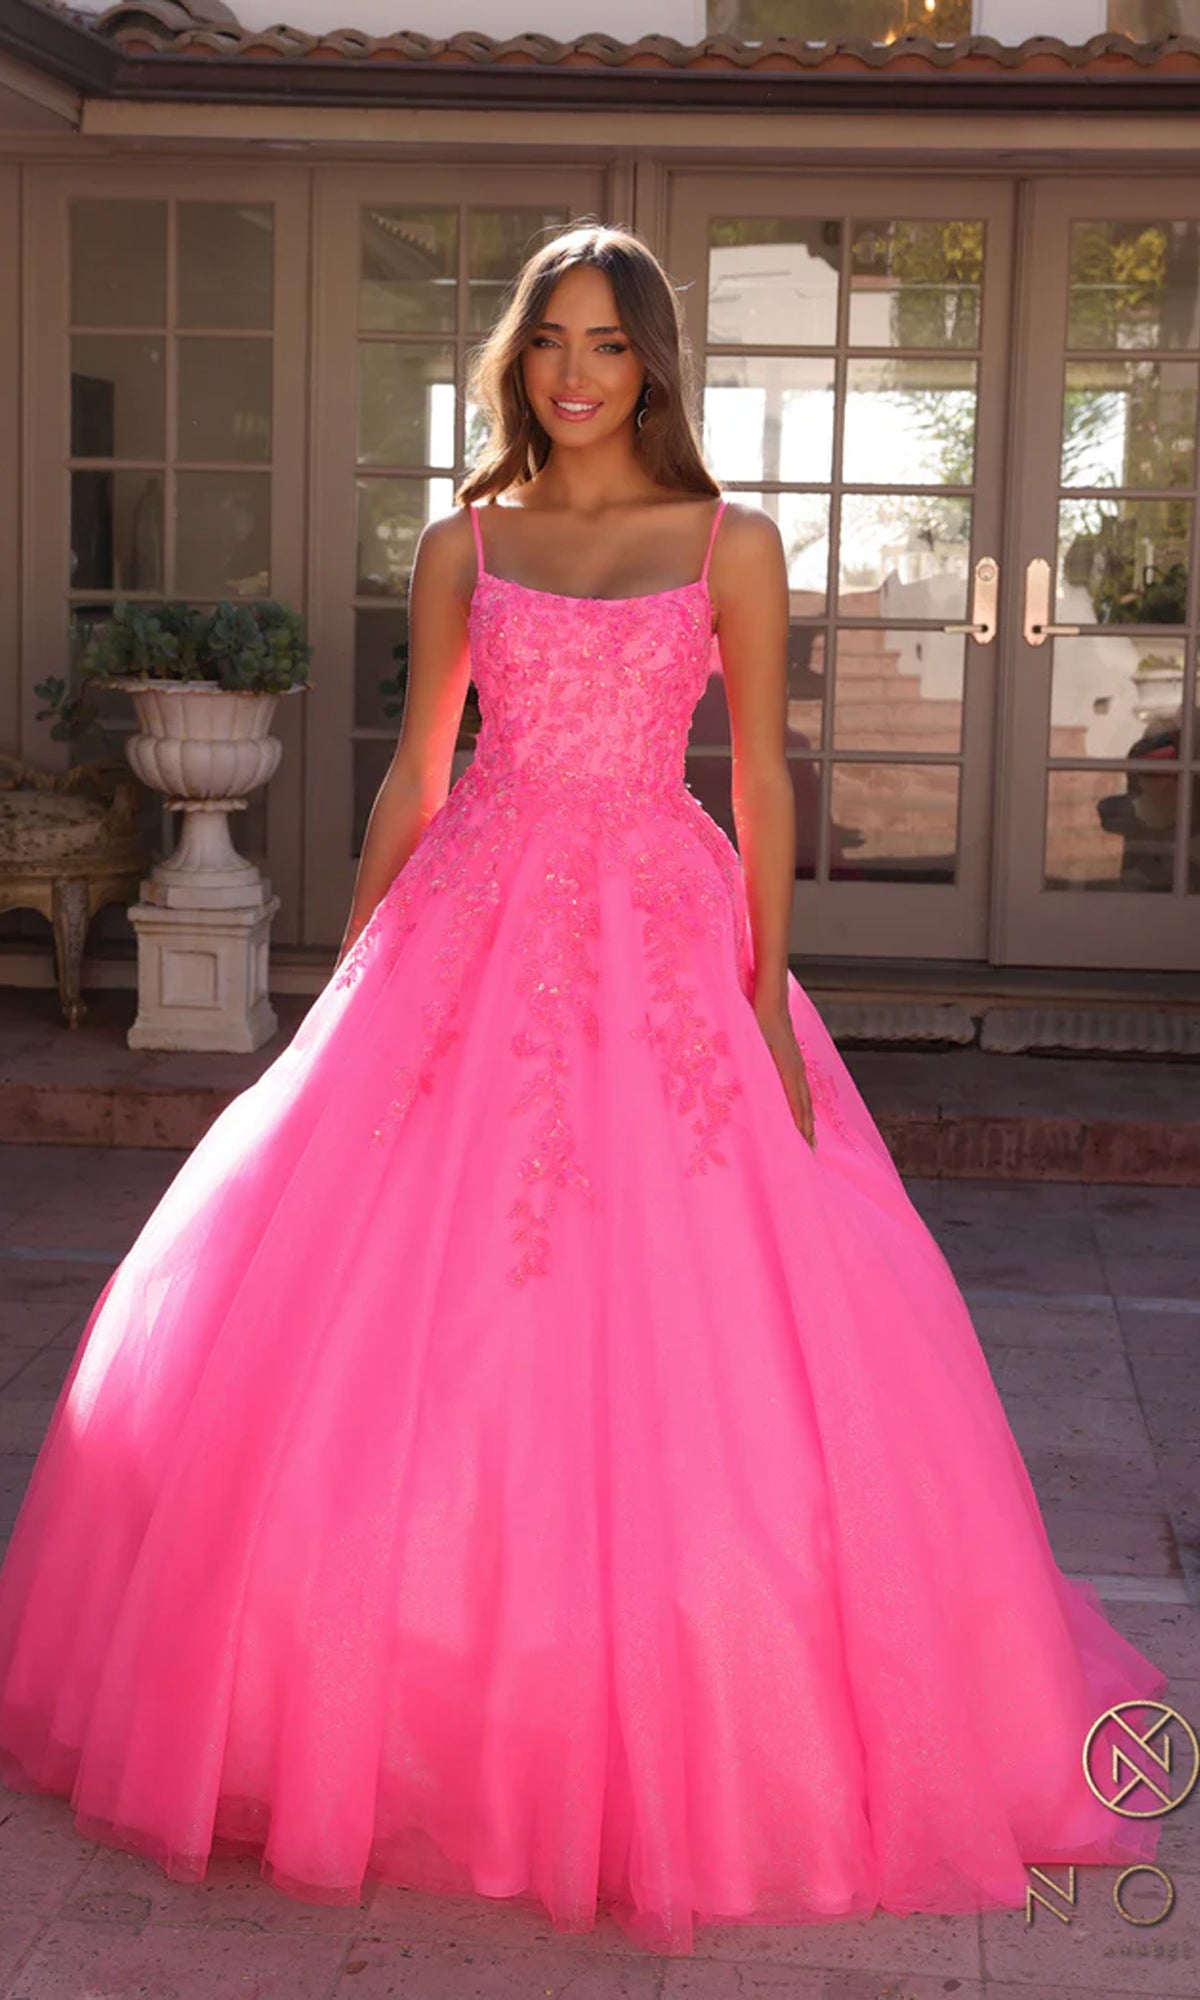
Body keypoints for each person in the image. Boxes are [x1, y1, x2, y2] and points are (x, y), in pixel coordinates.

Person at [0, 223, 1169, 1959]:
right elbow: (418, 765)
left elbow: (762, 773)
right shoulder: (468, 541)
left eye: (609, 344)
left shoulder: (730, 542)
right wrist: (348, 966)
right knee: (398, 1291)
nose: (573, 371)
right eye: (550, 339)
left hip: (666, 924)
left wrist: (766, 1001)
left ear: (654, 364)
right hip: (474, 906)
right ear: (517, 359)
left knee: (707, 1290)